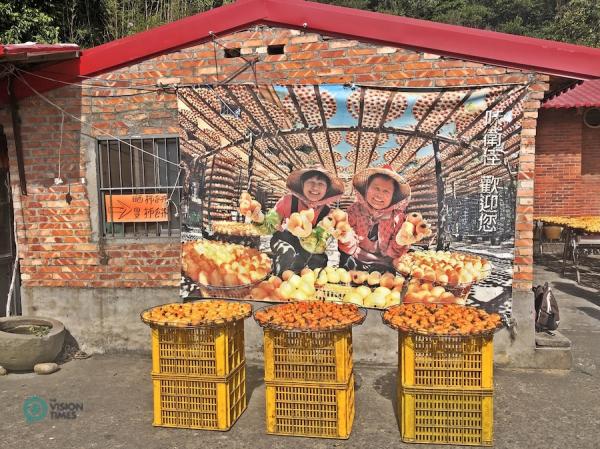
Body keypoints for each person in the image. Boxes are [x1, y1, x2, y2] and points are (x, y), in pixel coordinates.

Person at [269, 166, 344, 275]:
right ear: (302, 184)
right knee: (288, 254)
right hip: (284, 242)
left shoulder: (327, 212)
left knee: (319, 260)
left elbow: (322, 239)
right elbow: (272, 220)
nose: (315, 187)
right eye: (311, 182)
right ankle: (279, 281)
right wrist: (275, 223)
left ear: (326, 189)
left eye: (321, 184)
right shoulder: (288, 201)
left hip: (307, 248)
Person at [338, 166, 412, 273]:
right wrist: (346, 237)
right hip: (355, 259)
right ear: (366, 189)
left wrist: (404, 240)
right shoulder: (355, 210)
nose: (379, 194)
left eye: (386, 191)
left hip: (384, 264)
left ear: (393, 197)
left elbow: (396, 249)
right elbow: (349, 240)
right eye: (376, 188)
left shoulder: (398, 218)